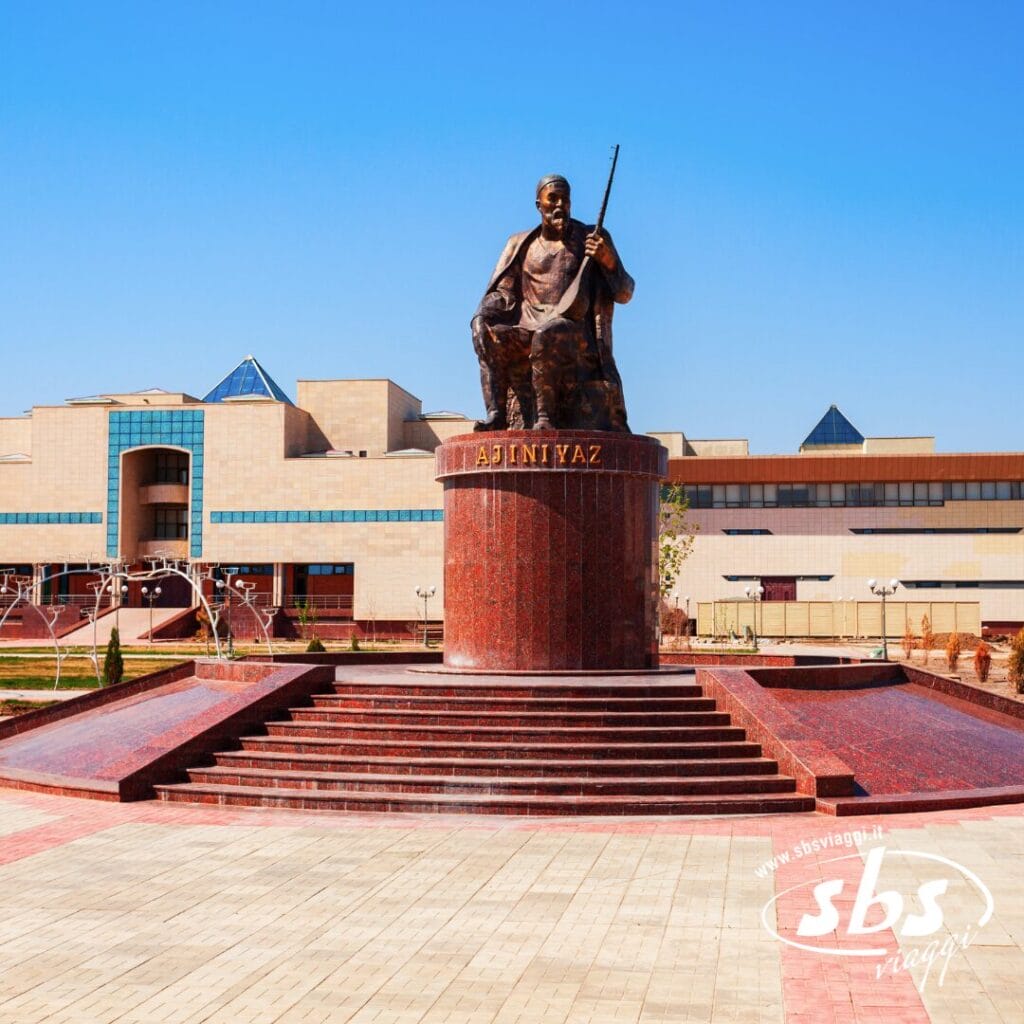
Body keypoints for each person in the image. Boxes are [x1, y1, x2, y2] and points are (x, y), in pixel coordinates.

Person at [471, 174, 634, 431]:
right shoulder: (519, 244)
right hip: (527, 324)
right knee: (485, 333)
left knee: (547, 334)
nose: (560, 205)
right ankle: (497, 413)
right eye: (553, 199)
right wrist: (482, 317)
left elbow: (625, 293)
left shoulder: (591, 238)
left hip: (574, 332)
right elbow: (503, 293)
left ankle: (545, 418)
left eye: (565, 199)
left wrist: (608, 260)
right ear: (539, 205)